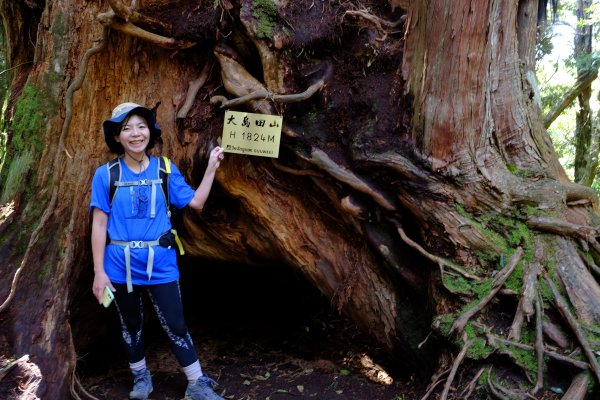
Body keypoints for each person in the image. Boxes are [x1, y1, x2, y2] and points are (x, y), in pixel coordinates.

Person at [89, 102, 225, 400]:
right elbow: (99, 225)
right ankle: (141, 378)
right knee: (131, 325)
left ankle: (196, 384)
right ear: (117, 136)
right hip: (119, 264)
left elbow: (196, 203)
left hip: (161, 263)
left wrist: (212, 167)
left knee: (175, 323)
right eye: (126, 128)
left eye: (141, 126)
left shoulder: (165, 169)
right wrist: (99, 272)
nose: (135, 133)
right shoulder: (106, 175)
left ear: (150, 132)